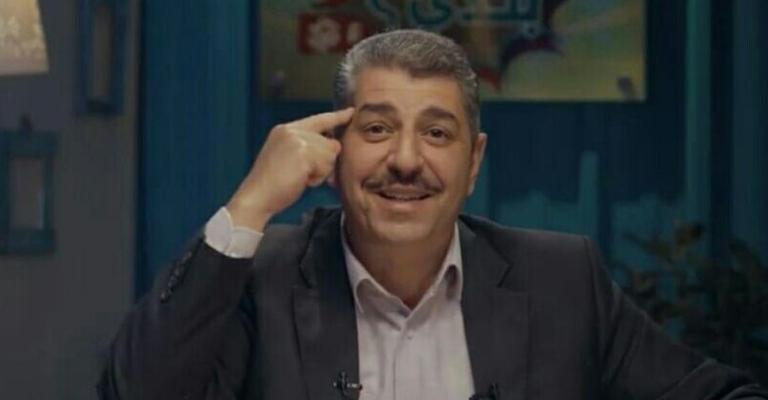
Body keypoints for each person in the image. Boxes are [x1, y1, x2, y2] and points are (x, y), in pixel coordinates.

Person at [98, 29, 767, 400]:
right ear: (334, 148)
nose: (406, 160)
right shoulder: (262, 277)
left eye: (437, 134)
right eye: (378, 129)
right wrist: (249, 205)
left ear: (473, 162)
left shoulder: (561, 279)